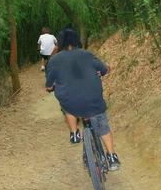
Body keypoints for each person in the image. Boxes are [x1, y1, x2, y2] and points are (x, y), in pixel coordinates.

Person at [45, 28, 121, 171]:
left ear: (60, 43)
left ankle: (74, 133)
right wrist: (106, 70)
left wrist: (49, 87)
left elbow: (49, 83)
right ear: (76, 40)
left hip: (71, 102)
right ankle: (112, 156)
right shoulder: (87, 54)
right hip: (93, 100)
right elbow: (103, 70)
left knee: (67, 105)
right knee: (103, 127)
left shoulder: (54, 60)